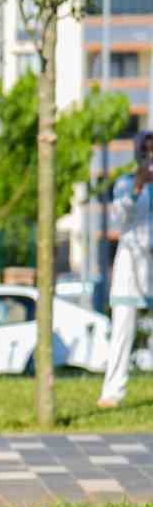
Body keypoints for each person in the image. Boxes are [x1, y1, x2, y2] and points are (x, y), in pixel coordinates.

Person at [100, 131, 153, 409]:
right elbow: (119, 218)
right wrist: (138, 188)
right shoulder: (125, 184)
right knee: (123, 329)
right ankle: (112, 392)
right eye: (145, 152)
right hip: (131, 268)